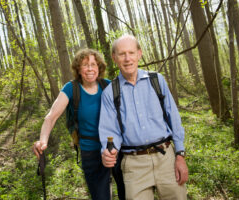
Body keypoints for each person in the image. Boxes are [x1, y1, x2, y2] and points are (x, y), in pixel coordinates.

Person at [99, 35, 188, 200]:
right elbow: (110, 131)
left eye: (131, 52)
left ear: (139, 54)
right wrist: (108, 151)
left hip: (166, 158)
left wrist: (180, 155)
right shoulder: (110, 93)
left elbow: (173, 118)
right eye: (122, 54)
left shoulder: (156, 80)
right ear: (114, 58)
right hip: (134, 165)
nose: (127, 58)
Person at [33, 48, 125, 200]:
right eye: (85, 65)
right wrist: (42, 141)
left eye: (93, 64)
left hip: (114, 148)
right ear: (78, 69)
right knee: (100, 197)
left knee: (127, 193)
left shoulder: (108, 86)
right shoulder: (71, 88)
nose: (90, 68)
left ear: (99, 67)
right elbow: (51, 117)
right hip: (91, 151)